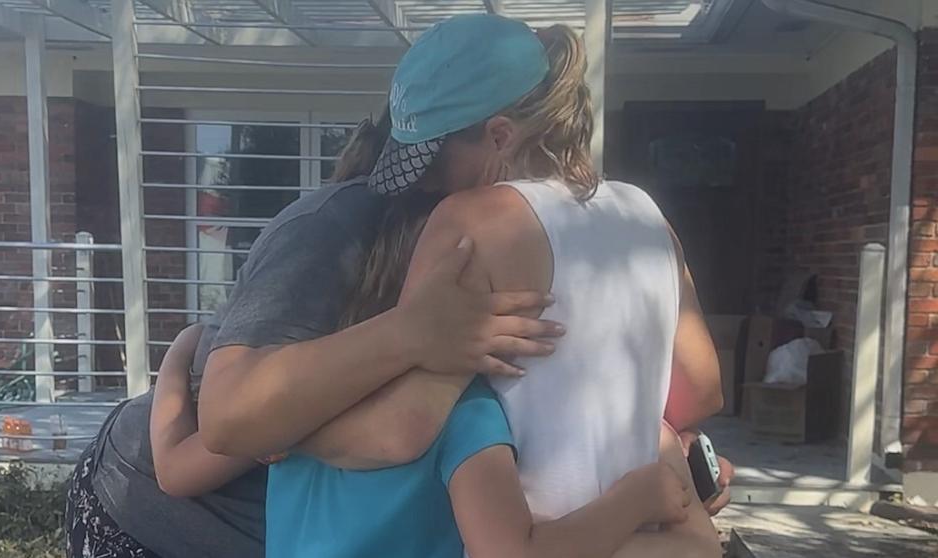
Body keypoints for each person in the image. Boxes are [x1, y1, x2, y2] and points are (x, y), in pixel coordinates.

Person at [199, 14, 723, 558]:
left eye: (433, 157)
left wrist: (285, 432)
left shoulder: (473, 221)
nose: (424, 181)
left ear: (499, 135)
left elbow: (404, 428)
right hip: (645, 539)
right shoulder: (647, 218)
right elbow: (700, 391)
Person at [64, 110, 565, 558]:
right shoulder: (312, 365)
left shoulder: (442, 388)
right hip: (141, 515)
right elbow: (185, 463)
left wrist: (180, 352)